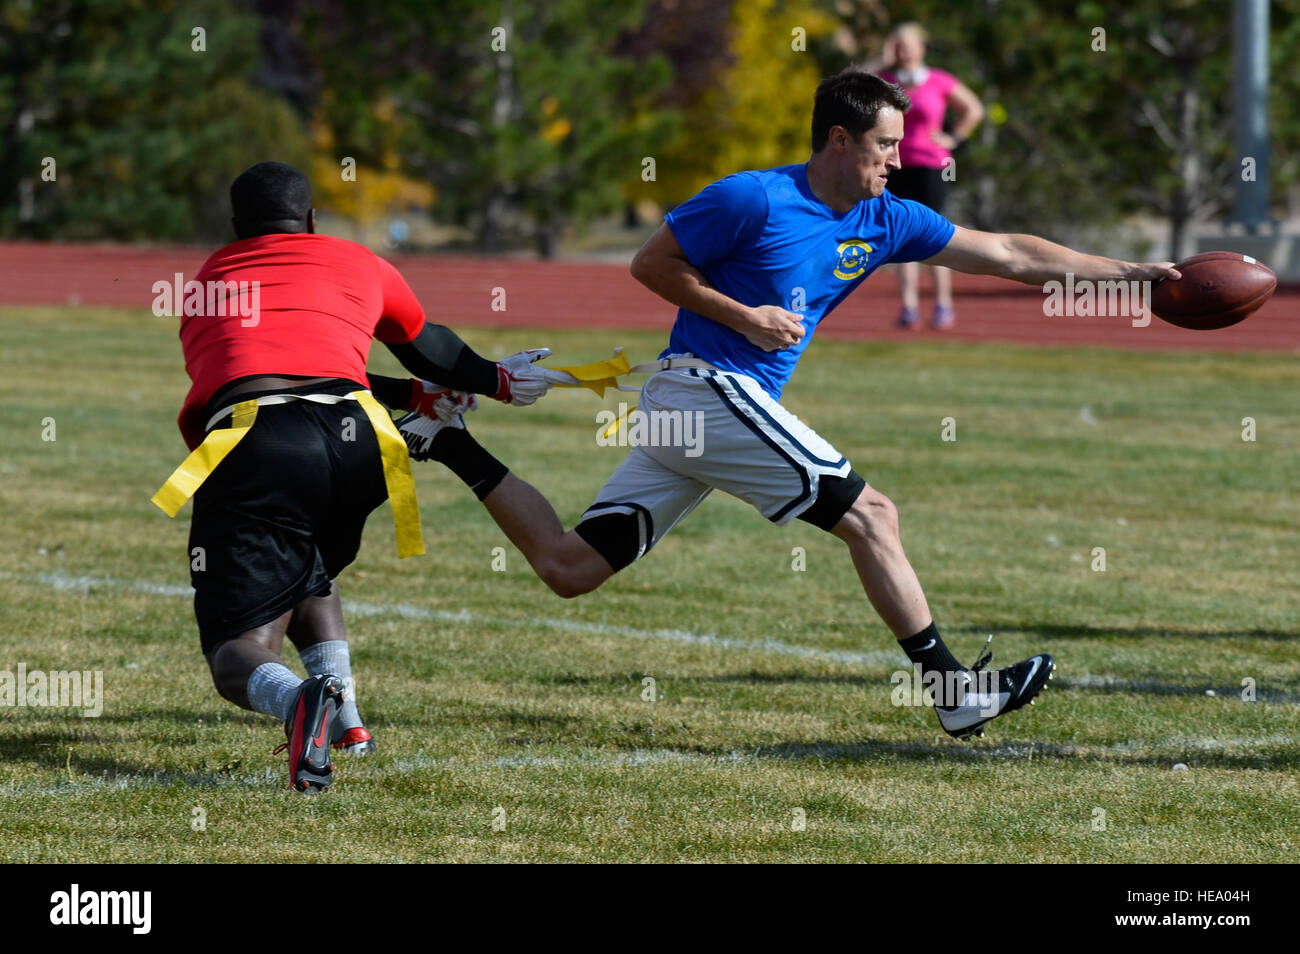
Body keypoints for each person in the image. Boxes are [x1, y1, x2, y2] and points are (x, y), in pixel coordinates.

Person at [400, 70, 1180, 740]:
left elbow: (1012, 252)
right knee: (874, 515)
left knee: (570, 569)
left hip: (703, 409)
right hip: (703, 388)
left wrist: (1136, 275)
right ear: (838, 140)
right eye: (885, 146)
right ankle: (953, 693)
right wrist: (744, 316)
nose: (898, 161)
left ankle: (445, 441)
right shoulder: (753, 198)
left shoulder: (888, 217)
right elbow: (651, 263)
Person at [154, 161, 558, 792]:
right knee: (309, 565)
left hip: (257, 438)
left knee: (236, 651)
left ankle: (298, 704)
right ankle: (347, 722)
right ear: (312, 221)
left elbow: (266, 371)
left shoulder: (210, 279)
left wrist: (430, 389)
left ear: (236, 230)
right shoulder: (357, 260)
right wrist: (495, 380)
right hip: (360, 438)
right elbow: (422, 348)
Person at [876, 22, 984, 330]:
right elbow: (846, 84)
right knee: (901, 233)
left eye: (908, 44)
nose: (903, 50)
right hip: (895, 163)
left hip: (932, 164)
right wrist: (882, 59)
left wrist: (953, 138)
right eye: (897, 44)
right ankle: (909, 306)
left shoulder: (938, 80)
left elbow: (973, 109)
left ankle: (943, 305)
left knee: (934, 231)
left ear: (922, 48)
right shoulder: (884, 81)